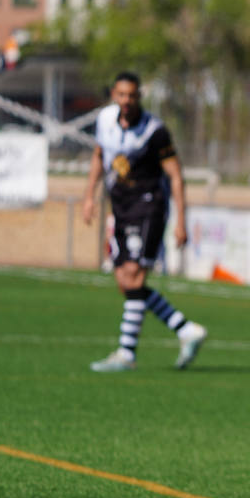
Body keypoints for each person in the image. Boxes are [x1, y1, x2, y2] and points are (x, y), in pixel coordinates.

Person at [81, 71, 207, 372]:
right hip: (121, 208)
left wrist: (181, 221)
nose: (127, 101)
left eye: (132, 95)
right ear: (114, 95)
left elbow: (176, 176)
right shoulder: (104, 121)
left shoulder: (154, 131)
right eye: (121, 95)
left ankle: (126, 354)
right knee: (125, 282)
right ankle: (185, 329)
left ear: (139, 97)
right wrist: (89, 196)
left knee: (135, 276)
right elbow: (99, 156)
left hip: (149, 208)